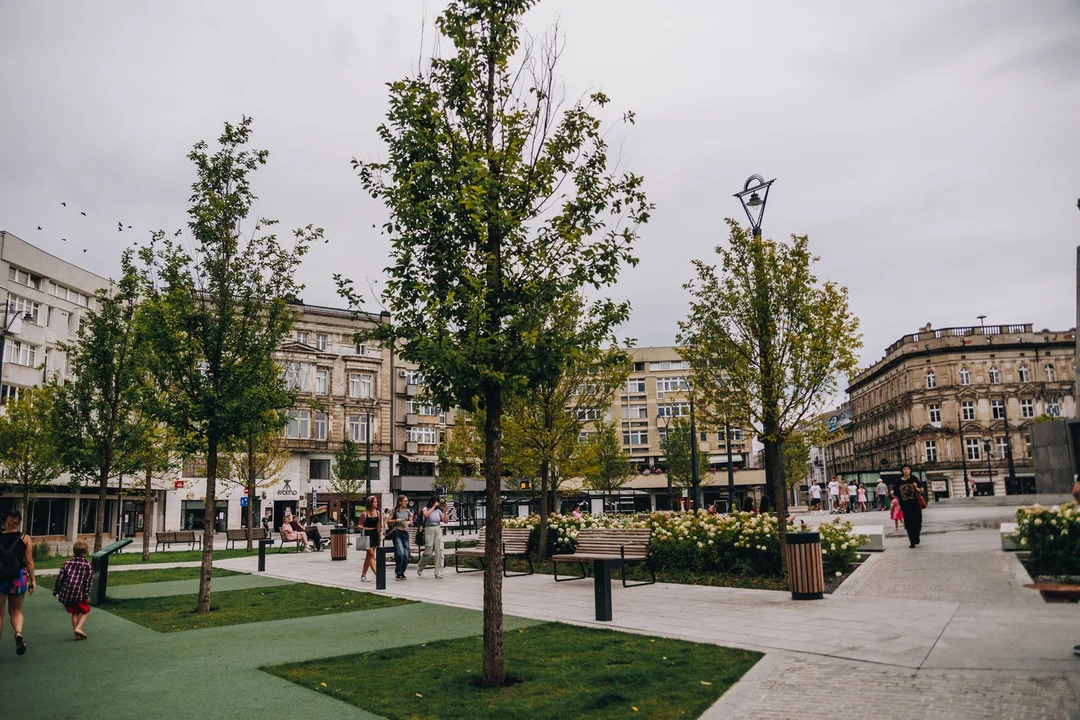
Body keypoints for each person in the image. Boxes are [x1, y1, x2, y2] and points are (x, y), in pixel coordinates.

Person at [0, 509, 35, 656]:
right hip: (18, 577)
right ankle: (18, 634)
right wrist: (33, 579)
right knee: (16, 611)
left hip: (0, 577)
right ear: (18, 521)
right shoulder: (25, 538)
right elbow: (28, 561)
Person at [53, 540, 92, 640]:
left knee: (75, 612)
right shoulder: (87, 565)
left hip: (67, 592)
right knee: (86, 611)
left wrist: (56, 590)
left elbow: (60, 578)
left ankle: (76, 635)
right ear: (85, 552)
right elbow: (87, 582)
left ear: (74, 552)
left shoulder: (67, 564)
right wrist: (87, 595)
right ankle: (78, 628)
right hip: (79, 593)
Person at [895, 465, 925, 548]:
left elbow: (922, 490)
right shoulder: (899, 482)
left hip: (915, 504)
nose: (906, 470)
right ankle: (912, 542)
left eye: (907, 469)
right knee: (908, 524)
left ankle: (917, 535)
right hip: (905, 505)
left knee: (918, 522)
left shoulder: (914, 479)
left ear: (910, 470)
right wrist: (898, 505)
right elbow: (896, 495)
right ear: (902, 471)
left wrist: (916, 487)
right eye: (904, 469)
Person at [417, 495, 445, 578]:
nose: (438, 504)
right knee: (429, 549)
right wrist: (433, 507)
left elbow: (445, 520)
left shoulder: (439, 511)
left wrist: (445, 512)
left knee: (439, 550)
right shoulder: (426, 509)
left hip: (437, 528)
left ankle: (438, 572)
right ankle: (420, 566)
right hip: (428, 528)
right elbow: (426, 515)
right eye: (436, 502)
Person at [360, 496, 383, 582]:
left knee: (368, 556)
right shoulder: (364, 514)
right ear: (370, 503)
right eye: (375, 502)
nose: (377, 503)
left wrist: (379, 538)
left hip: (374, 534)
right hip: (367, 535)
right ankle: (378, 575)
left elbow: (378, 526)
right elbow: (359, 524)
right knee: (371, 555)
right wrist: (364, 528)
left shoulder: (378, 513)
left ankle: (363, 575)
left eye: (377, 502)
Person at [391, 495, 413, 580]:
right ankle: (398, 572)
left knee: (406, 555)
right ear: (400, 502)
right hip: (397, 533)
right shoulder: (394, 510)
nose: (406, 503)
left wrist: (409, 522)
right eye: (405, 501)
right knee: (400, 553)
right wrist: (396, 520)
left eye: (407, 501)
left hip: (405, 533)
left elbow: (411, 522)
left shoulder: (408, 512)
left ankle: (402, 572)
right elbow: (387, 521)